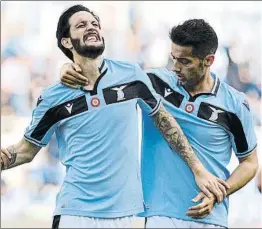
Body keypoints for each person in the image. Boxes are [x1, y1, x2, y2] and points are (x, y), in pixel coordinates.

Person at [0, 6, 228, 229]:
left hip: (125, 215)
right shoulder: (53, 97)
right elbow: (26, 151)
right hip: (75, 212)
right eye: (81, 25)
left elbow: (166, 124)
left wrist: (198, 170)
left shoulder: (133, 76)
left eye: (95, 24)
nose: (91, 28)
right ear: (67, 42)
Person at [60, 19, 259, 228]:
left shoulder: (235, 104)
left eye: (185, 62)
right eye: (174, 59)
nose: (176, 68)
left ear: (208, 60)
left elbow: (250, 162)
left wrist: (221, 192)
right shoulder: (153, 83)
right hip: (160, 215)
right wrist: (68, 67)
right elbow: (100, 75)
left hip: (211, 218)